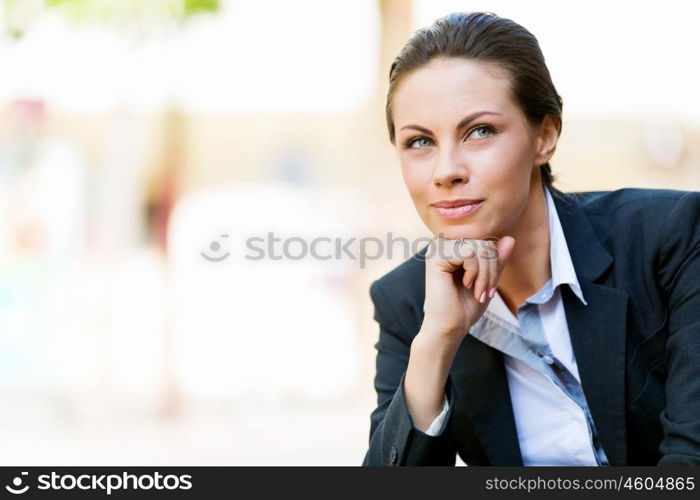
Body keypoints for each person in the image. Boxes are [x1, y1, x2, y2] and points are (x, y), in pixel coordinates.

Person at [362, 11, 700, 466]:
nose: (446, 171)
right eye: (420, 142)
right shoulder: (407, 303)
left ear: (544, 136)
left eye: (479, 131)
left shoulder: (670, 238)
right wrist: (437, 343)